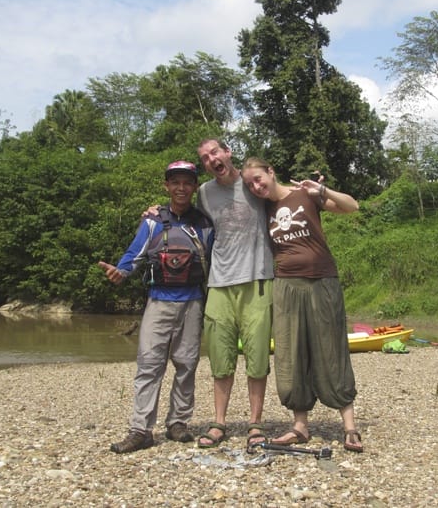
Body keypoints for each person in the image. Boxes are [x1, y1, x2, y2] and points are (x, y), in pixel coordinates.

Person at [240, 156, 364, 453]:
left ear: (271, 171)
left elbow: (352, 206)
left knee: (331, 348)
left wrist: (323, 192)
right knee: (290, 352)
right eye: (250, 184)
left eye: (259, 179)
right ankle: (300, 425)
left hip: (322, 281)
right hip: (285, 285)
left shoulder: (304, 195)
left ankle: (350, 427)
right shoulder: (261, 209)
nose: (256, 187)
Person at [98, 160, 213, 454]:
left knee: (187, 365)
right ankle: (141, 429)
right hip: (158, 302)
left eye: (187, 182)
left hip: (192, 303)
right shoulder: (151, 222)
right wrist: (120, 272)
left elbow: (219, 256)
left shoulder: (204, 223)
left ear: (194, 186)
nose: (181, 188)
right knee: (149, 365)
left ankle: (178, 422)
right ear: (166, 186)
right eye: (175, 182)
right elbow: (133, 255)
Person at [193, 139, 274, 448]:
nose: (211, 159)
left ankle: (255, 424)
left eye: (215, 152)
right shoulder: (203, 192)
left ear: (227, 152)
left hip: (258, 280)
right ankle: (219, 423)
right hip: (219, 283)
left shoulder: (254, 182)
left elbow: (283, 197)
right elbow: (185, 213)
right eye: (204, 158)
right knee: (221, 358)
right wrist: (154, 212)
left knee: (257, 359)